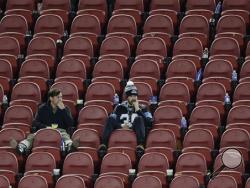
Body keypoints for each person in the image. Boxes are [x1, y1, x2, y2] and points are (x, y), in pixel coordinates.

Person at [10, 88, 76, 154]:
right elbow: (35, 123)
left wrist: (63, 110)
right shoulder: (42, 108)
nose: (60, 99)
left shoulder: (65, 108)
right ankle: (22, 147)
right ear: (51, 98)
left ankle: (70, 146)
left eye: (61, 97)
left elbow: (70, 124)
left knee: (65, 136)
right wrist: (45, 127)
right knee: (31, 136)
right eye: (58, 97)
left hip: (60, 130)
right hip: (44, 130)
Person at [100, 81, 153, 151]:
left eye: (135, 96)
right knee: (110, 118)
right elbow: (113, 120)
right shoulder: (120, 107)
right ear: (127, 97)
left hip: (135, 129)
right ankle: (104, 144)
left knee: (139, 118)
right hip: (121, 128)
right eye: (131, 96)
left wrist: (138, 110)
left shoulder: (143, 107)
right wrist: (121, 126)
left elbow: (149, 123)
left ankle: (141, 144)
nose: (134, 98)